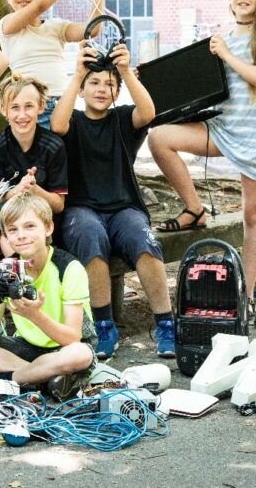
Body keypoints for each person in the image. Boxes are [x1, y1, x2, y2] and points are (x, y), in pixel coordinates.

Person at [147, 0, 256, 309]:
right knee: (159, 138)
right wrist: (149, 75)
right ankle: (195, 209)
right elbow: (198, 85)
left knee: (253, 215)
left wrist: (226, 54)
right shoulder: (221, 34)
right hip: (223, 128)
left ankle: (246, 294)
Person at [50, 40, 171, 359]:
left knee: (143, 240)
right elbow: (57, 124)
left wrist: (126, 73)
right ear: (82, 89)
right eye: (94, 83)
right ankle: (104, 326)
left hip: (124, 208)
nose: (101, 89)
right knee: (91, 237)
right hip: (82, 210)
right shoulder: (73, 121)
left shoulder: (122, 118)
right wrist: (76, 75)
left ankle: (165, 325)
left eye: (108, 84)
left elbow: (149, 112)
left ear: (116, 92)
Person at [0, 194, 96, 398]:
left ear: (48, 228)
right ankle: (41, 378)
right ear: (6, 237)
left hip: (64, 349)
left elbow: (72, 337)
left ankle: (10, 380)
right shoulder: (7, 269)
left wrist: (34, 315)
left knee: (81, 355)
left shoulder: (69, 268)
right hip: (25, 348)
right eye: (12, 230)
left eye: (29, 226)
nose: (21, 235)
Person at [0, 0, 118, 127]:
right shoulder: (6, 26)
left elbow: (92, 30)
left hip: (63, 104)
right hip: (31, 108)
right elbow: (39, 6)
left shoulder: (56, 26)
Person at [0, 74, 67, 278]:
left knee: (18, 244)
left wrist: (35, 190)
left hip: (38, 218)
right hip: (2, 215)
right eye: (15, 107)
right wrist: (17, 190)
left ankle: (23, 297)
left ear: (41, 107)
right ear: (3, 110)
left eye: (29, 106)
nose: (22, 115)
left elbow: (59, 204)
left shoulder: (54, 146)